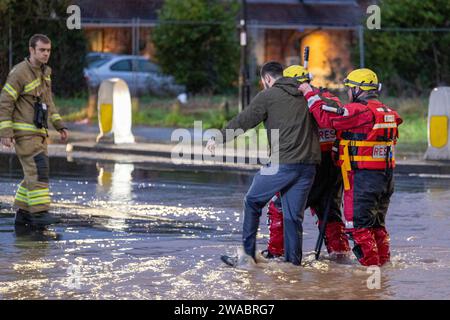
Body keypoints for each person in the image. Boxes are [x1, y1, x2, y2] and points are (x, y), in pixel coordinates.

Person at [207, 61, 321, 266]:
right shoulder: (307, 94)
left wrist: (218, 138)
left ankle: (248, 256)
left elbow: (244, 121)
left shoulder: (268, 96)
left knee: (252, 201)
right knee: (292, 217)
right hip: (309, 165)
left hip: (282, 163)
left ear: (267, 79)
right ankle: (293, 266)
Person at [298, 68, 402, 266]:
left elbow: (326, 119)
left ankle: (369, 273)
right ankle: (384, 267)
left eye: (349, 88)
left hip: (364, 180)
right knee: (377, 226)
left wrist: (308, 92)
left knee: (359, 227)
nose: (347, 93)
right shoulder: (388, 112)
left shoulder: (359, 110)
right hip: (385, 179)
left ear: (357, 89)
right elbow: (358, 137)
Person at [263, 65, 350, 260]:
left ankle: (276, 254)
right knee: (330, 212)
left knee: (279, 208)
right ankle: (340, 255)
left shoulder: (293, 106)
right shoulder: (329, 99)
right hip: (333, 168)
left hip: (307, 166)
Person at [0, 34, 68, 228]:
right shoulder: (19, 72)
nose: (46, 54)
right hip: (25, 133)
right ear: (31, 50)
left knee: (32, 172)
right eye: (42, 50)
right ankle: (39, 213)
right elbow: (5, 102)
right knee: (39, 169)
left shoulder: (45, 73)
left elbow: (49, 103)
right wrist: (5, 132)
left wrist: (59, 125)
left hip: (39, 133)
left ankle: (23, 213)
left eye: (48, 50)